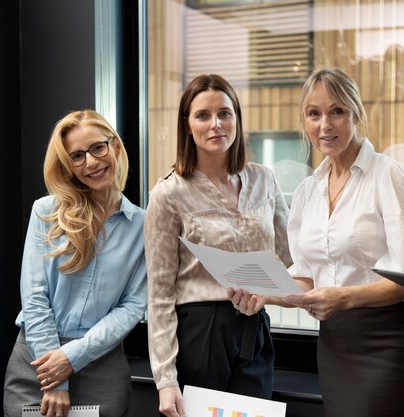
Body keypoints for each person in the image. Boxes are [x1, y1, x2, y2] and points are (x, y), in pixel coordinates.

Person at [230, 67, 404, 417]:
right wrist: (265, 293)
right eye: (314, 114)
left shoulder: (391, 177)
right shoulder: (309, 190)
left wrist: (342, 297)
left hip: (387, 342)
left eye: (337, 111)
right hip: (334, 345)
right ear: (305, 122)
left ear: (356, 114)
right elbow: (308, 278)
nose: (325, 124)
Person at [144, 74, 292, 417]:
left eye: (225, 113)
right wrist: (165, 381)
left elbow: (290, 260)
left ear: (237, 118)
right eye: (203, 115)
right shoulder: (168, 193)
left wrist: (272, 293)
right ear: (187, 124)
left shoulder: (263, 179)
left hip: (255, 326)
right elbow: (160, 294)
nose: (216, 124)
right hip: (201, 333)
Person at [3, 110, 148, 417]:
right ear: (68, 165)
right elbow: (34, 297)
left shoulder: (143, 225)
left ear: (116, 147)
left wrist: (71, 357)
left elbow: (133, 306)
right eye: (77, 156)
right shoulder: (45, 212)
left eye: (98, 147)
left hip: (102, 363)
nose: (92, 162)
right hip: (37, 364)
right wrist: (55, 380)